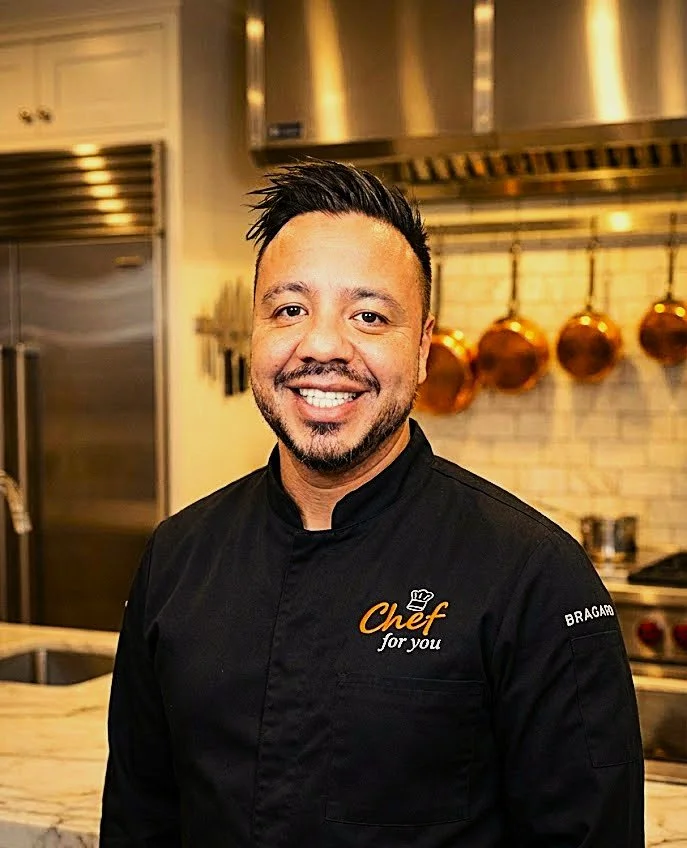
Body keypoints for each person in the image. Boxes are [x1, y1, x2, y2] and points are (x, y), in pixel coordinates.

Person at [100, 160, 645, 847]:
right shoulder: (179, 556)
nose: (323, 345)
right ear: (255, 332)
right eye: (290, 309)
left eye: (368, 315)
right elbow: (137, 820)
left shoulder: (532, 575)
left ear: (421, 348)